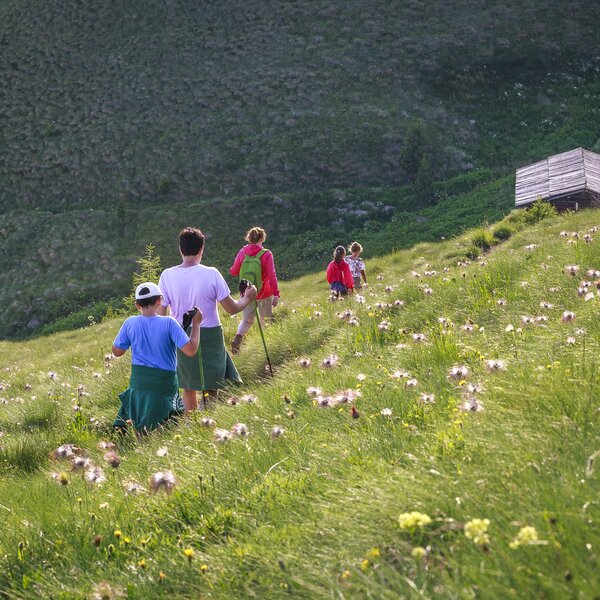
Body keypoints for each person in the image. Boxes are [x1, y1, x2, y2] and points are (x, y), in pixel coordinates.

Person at [158, 227, 257, 413]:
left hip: (180, 335)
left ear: (180, 249)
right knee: (211, 383)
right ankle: (209, 420)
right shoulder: (211, 273)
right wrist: (248, 297)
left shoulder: (167, 275)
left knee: (188, 384)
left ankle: (192, 423)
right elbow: (232, 309)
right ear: (202, 248)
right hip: (210, 335)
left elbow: (162, 315)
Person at [112, 282, 202, 433]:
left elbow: (117, 352)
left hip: (139, 381)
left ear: (137, 305)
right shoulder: (169, 323)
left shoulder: (130, 323)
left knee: (141, 420)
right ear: (159, 301)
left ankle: (141, 449)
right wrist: (196, 323)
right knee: (166, 424)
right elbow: (191, 350)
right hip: (164, 383)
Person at [229, 226, 280, 354]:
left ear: (249, 238)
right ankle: (264, 349)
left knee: (247, 320)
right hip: (264, 291)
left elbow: (234, 271)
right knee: (265, 319)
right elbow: (271, 274)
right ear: (262, 238)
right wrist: (276, 293)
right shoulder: (266, 254)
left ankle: (238, 338)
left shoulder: (243, 252)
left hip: (246, 292)